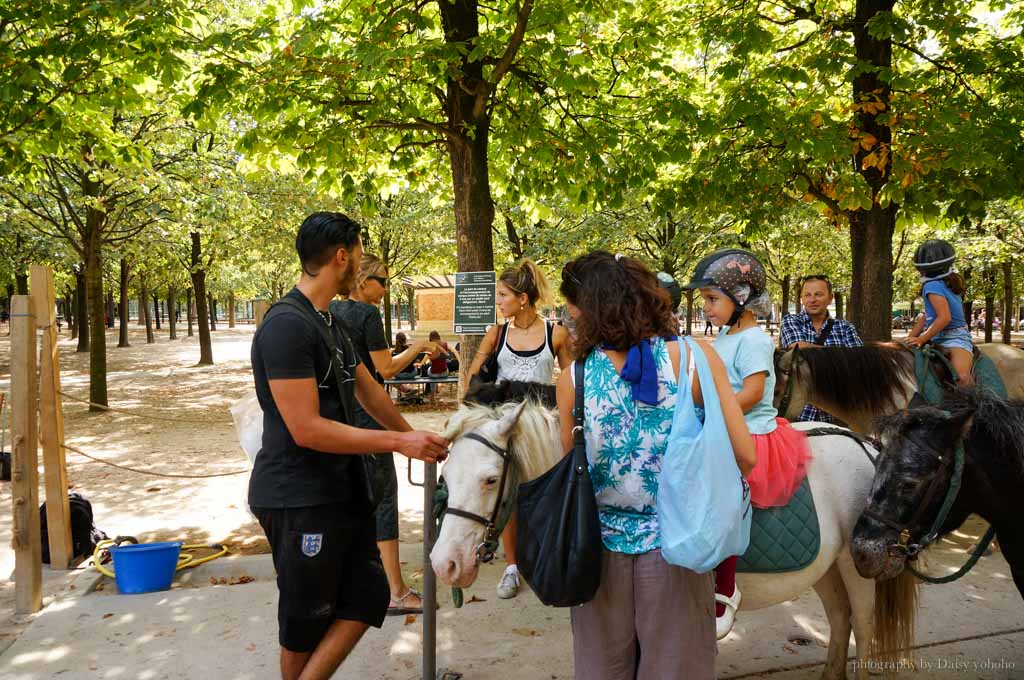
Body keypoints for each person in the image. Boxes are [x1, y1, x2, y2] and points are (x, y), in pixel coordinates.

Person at [249, 212, 448, 680]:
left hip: (340, 490)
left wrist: (417, 438)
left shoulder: (331, 324)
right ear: (342, 256)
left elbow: (370, 390)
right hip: (297, 497)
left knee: (368, 595)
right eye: (359, 254)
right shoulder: (286, 326)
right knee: (305, 622)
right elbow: (306, 429)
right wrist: (400, 440)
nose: (360, 263)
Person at [559, 251, 756, 679]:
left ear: (588, 309)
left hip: (597, 554)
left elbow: (571, 474)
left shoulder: (574, 377)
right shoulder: (695, 360)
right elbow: (746, 455)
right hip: (680, 545)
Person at [684, 248, 812, 640]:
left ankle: (725, 586)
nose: (705, 307)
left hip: (749, 429)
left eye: (712, 299)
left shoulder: (753, 339)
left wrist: (714, 408)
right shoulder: (724, 335)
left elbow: (754, 392)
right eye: (704, 300)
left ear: (740, 298)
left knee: (723, 496)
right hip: (720, 422)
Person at [331, 254, 439, 617]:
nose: (385, 288)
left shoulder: (331, 311)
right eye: (382, 280)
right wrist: (420, 347)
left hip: (340, 421)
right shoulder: (365, 315)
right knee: (384, 502)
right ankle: (396, 590)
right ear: (363, 279)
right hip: (368, 419)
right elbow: (385, 369)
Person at [467, 258, 572, 599]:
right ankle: (512, 567)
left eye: (502, 295)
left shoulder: (554, 333)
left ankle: (544, 559)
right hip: (504, 425)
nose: (498, 302)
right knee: (509, 495)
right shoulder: (496, 333)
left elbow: (571, 379)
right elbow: (473, 374)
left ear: (522, 298)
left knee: (543, 492)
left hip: (542, 425)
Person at [779, 274, 863, 422]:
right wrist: (841, 359)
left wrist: (815, 355)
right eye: (807, 295)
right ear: (802, 298)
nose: (812, 300)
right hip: (799, 413)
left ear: (830, 298)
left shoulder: (845, 327)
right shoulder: (790, 321)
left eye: (818, 294)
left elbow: (858, 365)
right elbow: (800, 350)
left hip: (839, 414)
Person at [905, 239, 973, 386]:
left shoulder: (932, 285)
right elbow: (926, 316)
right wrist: (911, 337)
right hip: (938, 336)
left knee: (961, 378)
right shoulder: (946, 282)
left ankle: (975, 406)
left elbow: (944, 318)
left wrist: (921, 339)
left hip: (955, 338)